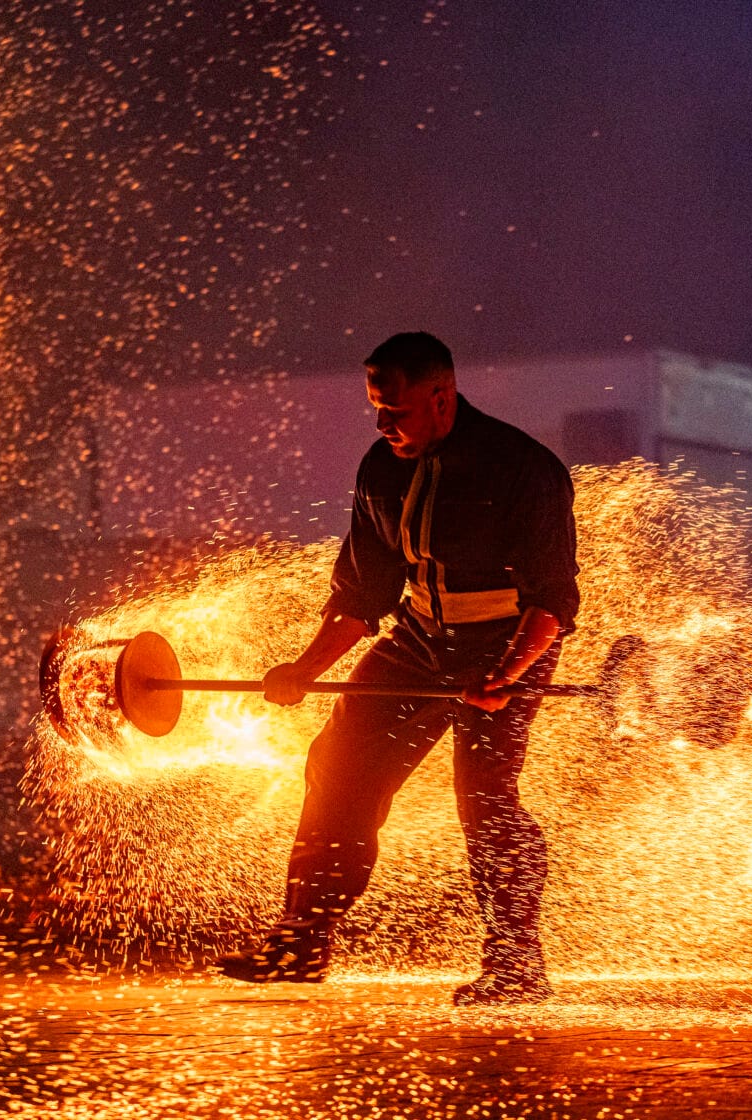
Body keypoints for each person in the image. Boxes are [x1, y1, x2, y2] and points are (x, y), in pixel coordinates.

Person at [214, 331, 579, 1005]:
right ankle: (301, 942)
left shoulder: (524, 468)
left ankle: (517, 964)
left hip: (509, 639)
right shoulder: (381, 468)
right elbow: (361, 597)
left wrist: (504, 675)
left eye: (398, 411)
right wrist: (301, 668)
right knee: (338, 763)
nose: (384, 425)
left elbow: (553, 602)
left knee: (486, 798)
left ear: (442, 399)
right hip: (418, 638)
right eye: (376, 409)